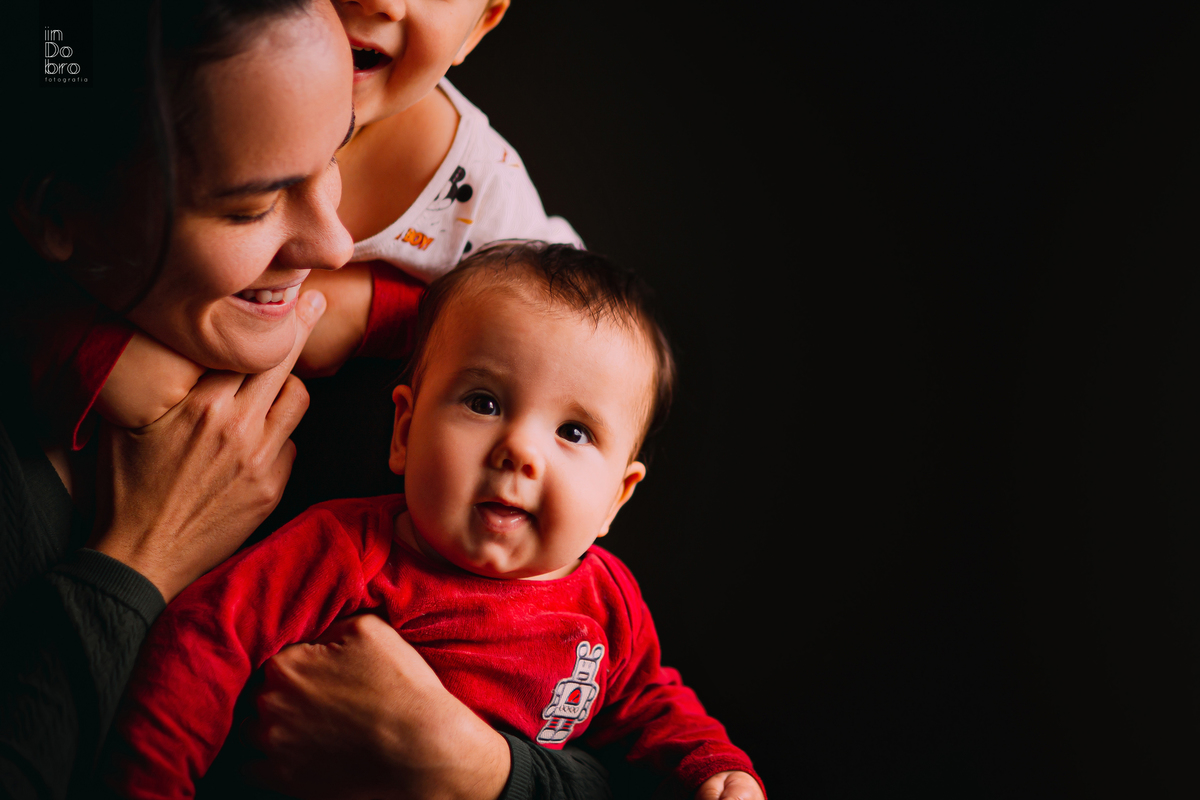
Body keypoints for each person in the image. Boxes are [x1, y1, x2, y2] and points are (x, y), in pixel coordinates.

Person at [1, 2, 607, 798]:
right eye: (251, 207)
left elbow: (609, 721)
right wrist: (141, 561)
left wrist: (484, 769)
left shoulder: (430, 408)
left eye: (335, 158)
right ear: (57, 214)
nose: (335, 246)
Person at [105, 242, 767, 800]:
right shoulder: (345, 552)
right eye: (483, 403)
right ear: (405, 430)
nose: (520, 450)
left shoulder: (608, 602)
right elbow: (204, 645)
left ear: (616, 500)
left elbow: (648, 704)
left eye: (573, 431)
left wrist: (714, 768)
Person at [33, 0, 580, 442]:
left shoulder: (479, 185)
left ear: (480, 25)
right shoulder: (103, 81)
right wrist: (74, 338)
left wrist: (379, 311)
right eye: (251, 208)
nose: (380, 3)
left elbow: (570, 324)